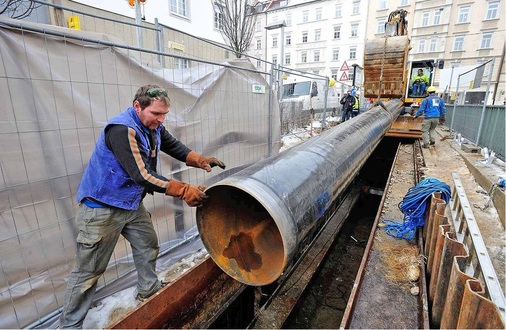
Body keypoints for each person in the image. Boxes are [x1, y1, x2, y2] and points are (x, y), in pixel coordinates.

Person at [59, 84, 226, 328]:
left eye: (164, 114)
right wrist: (184, 190)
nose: (161, 119)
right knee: (88, 272)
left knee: (147, 244)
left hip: (129, 202)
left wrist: (199, 160)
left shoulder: (153, 126)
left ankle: (148, 289)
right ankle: (69, 325)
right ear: (137, 106)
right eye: (156, 114)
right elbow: (142, 176)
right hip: (101, 207)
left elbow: (172, 144)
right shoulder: (122, 130)